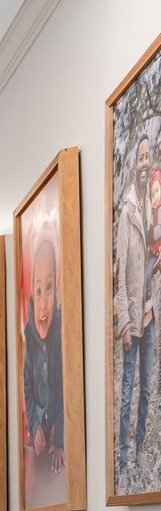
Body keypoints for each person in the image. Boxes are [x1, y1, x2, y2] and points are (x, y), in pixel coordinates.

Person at [114, 129, 155, 463]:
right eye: (140, 157)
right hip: (132, 316)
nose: (144, 163)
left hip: (150, 311)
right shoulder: (127, 211)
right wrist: (124, 322)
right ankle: (125, 459)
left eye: (148, 157)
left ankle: (141, 446)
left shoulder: (153, 204)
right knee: (127, 389)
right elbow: (122, 271)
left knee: (145, 385)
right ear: (133, 164)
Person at [23, 232, 65, 494]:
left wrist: (58, 439)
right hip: (40, 432)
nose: (43, 304)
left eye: (49, 288)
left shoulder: (61, 334)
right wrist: (35, 423)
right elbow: (28, 387)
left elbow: (62, 390)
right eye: (38, 291)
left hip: (59, 431)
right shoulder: (29, 336)